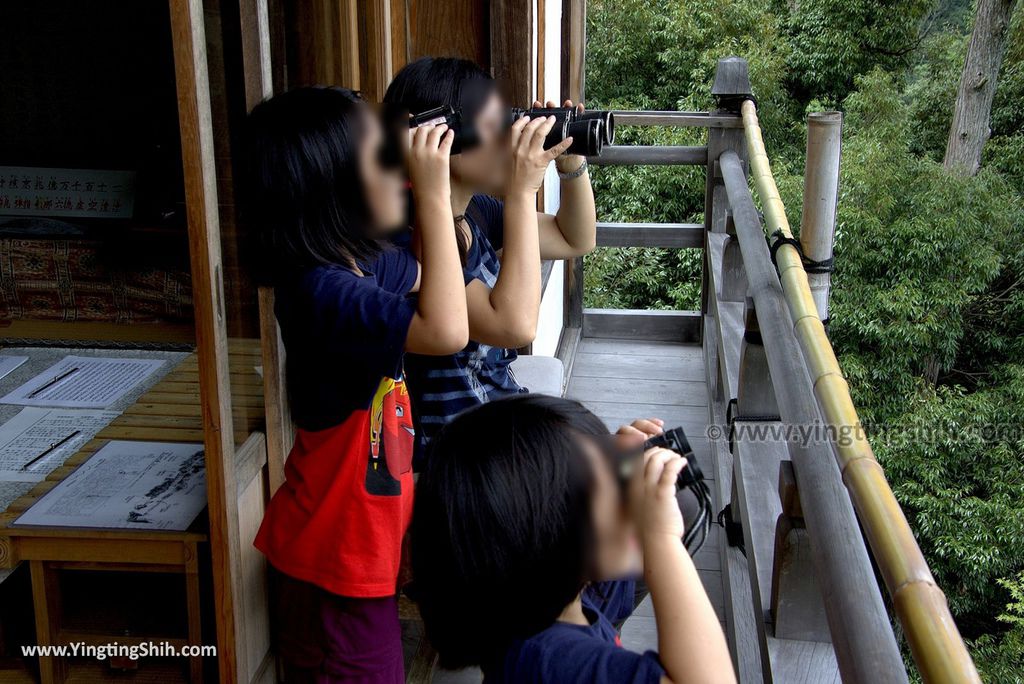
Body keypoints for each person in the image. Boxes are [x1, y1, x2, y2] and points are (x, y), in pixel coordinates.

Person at [244, 86, 468, 683]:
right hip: (333, 562)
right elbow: (446, 327)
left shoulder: (360, 263)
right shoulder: (323, 291)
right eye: (382, 157)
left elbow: (426, 271)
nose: (399, 167)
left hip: (347, 549)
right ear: (333, 185)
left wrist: (432, 197)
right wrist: (436, 193)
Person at [410, 394, 736, 684]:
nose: (628, 496)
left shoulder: (545, 602)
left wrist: (606, 452)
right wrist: (661, 539)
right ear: (548, 539)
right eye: (607, 488)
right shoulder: (556, 663)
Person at [383, 58, 598, 462]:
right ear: (443, 135)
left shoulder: (474, 209)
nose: (509, 138)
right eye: (496, 124)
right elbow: (515, 326)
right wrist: (521, 190)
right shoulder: (414, 237)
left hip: (494, 421)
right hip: (456, 454)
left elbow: (575, 238)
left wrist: (570, 161)